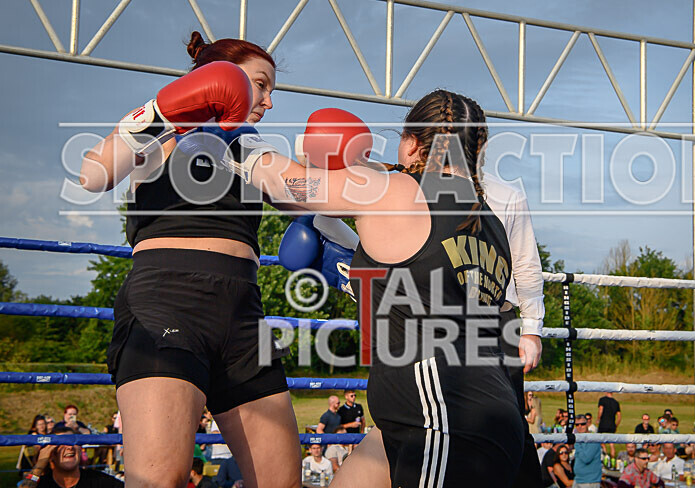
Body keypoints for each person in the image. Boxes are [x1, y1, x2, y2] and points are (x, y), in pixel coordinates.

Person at [235, 90, 524, 486]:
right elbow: (426, 294)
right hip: (456, 413)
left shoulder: (396, 191)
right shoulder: (488, 222)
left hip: (441, 419)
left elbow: (288, 186)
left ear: (410, 142)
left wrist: (232, 137)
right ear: (478, 149)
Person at [79, 31, 303, 488]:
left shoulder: (249, 143)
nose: (269, 100)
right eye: (261, 85)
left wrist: (365, 178)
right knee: (161, 479)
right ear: (221, 75)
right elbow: (92, 174)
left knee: (281, 482)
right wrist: (161, 111)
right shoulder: (161, 130)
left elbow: (295, 191)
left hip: (243, 313)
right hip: (168, 299)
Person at [483, 171, 545, 488]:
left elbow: (526, 263)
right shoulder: (411, 186)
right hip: (435, 320)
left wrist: (532, 328)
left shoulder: (505, 194)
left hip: (498, 320)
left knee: (508, 418)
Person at [19, 426, 123, 488]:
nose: (69, 447)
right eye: (61, 443)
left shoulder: (99, 481)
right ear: (50, 453)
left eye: (73, 442)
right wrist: (39, 465)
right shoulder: (43, 484)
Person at [572, 415, 602, 487]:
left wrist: (576, 444)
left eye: (582, 424)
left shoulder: (593, 439)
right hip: (578, 479)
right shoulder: (580, 440)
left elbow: (586, 458)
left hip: (590, 481)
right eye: (577, 424)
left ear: (587, 424)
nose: (580, 426)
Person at [597, 392, 620, 457]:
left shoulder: (602, 400)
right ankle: (612, 458)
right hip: (612, 425)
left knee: (602, 442)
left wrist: (598, 419)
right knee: (611, 443)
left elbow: (601, 410)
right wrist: (616, 425)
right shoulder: (616, 402)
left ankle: (605, 456)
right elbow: (619, 416)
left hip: (603, 423)